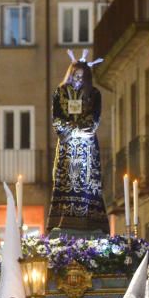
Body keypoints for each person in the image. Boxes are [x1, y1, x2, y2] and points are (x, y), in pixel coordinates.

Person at [46, 53, 108, 233]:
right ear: (70, 74)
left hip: (87, 149)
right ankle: (63, 219)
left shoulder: (94, 94)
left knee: (86, 183)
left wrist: (81, 130)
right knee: (66, 181)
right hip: (67, 146)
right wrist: (73, 130)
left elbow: (94, 119)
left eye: (82, 76)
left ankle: (89, 219)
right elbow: (56, 118)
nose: (78, 79)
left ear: (87, 77)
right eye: (75, 75)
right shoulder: (60, 93)